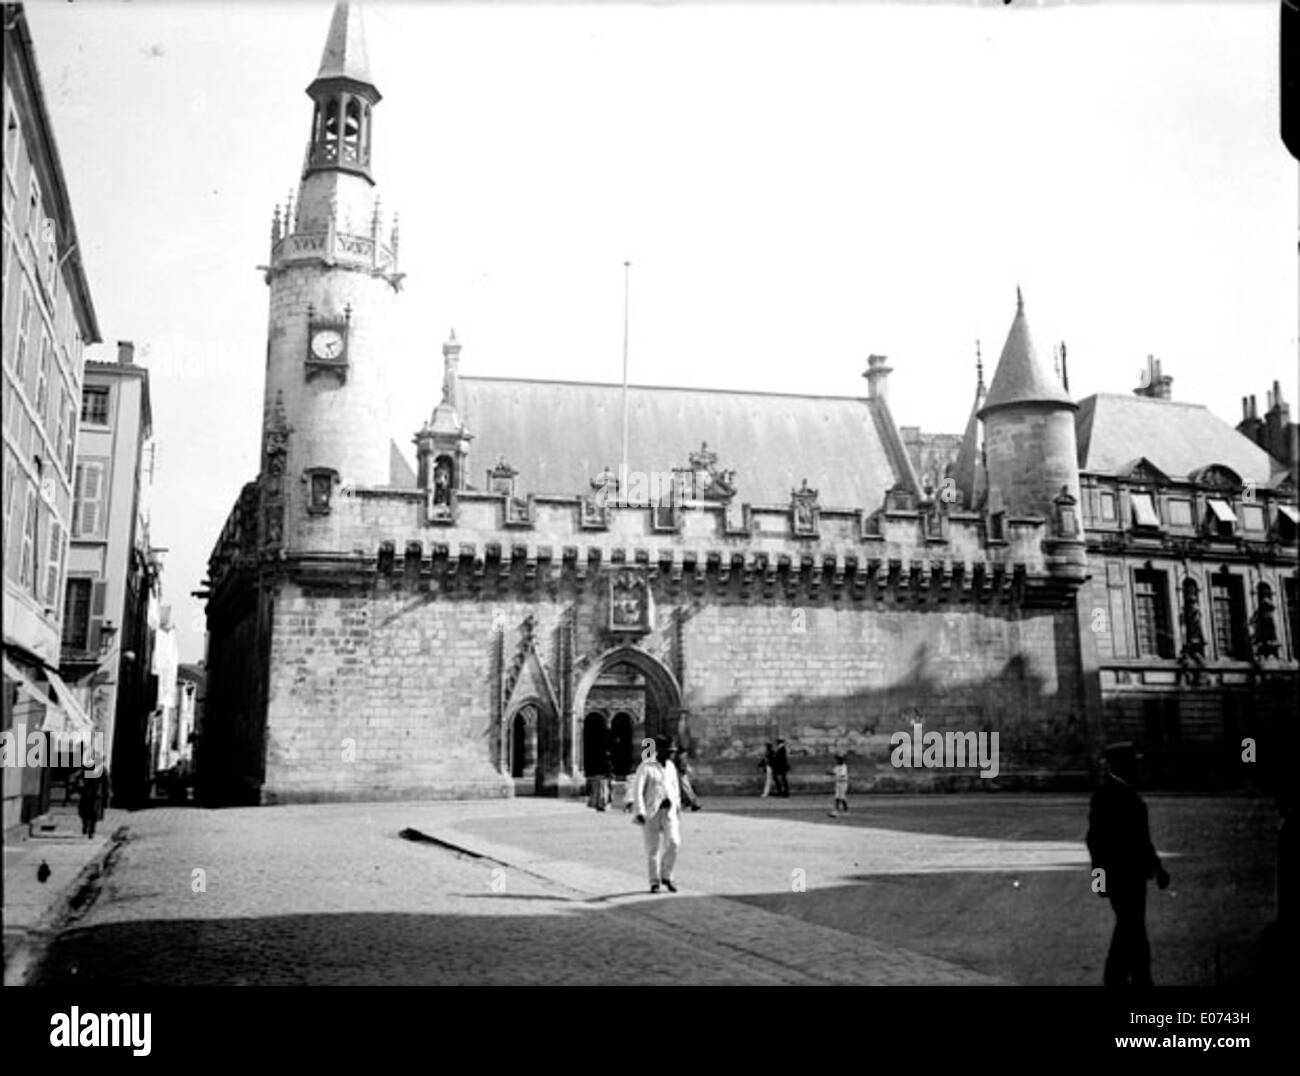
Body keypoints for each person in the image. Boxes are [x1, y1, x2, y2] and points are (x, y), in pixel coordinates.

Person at [1086, 742, 1170, 987]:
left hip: (1133, 875)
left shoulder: (1124, 794)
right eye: (1133, 764)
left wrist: (1157, 868)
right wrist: (1099, 880)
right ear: (1121, 766)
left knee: (1131, 927)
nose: (1137, 768)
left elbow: (1142, 840)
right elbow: (1095, 842)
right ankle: (1127, 978)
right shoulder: (1106, 797)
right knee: (1130, 927)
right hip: (1120, 876)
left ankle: (1130, 978)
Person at [633, 735, 682, 894]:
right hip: (651, 812)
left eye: (672, 751)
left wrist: (677, 807)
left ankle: (667, 875)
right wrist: (640, 811)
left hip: (669, 812)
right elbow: (638, 790)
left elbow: (675, 789)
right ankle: (654, 881)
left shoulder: (671, 767)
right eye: (669, 751)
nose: (671, 754)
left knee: (674, 842)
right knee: (652, 849)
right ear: (658, 750)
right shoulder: (646, 766)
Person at [78, 767, 104, 839]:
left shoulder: (101, 770)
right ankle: (86, 825)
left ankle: (91, 830)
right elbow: (81, 780)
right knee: (85, 812)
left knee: (94, 813)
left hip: (95, 795)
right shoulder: (86, 770)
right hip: (87, 794)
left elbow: (105, 782)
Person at [676, 746, 702, 812]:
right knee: (686, 789)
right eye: (683, 753)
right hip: (679, 775)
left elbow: (686, 767)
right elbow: (683, 767)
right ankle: (692, 803)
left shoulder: (682, 758)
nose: (685, 755)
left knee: (688, 789)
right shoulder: (679, 758)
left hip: (682, 775)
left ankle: (693, 803)